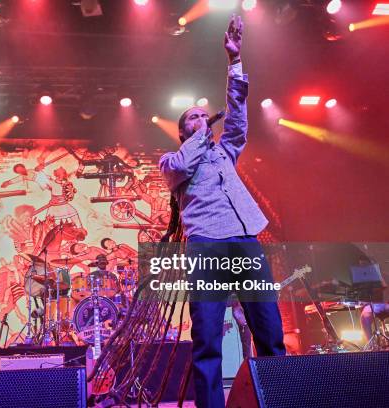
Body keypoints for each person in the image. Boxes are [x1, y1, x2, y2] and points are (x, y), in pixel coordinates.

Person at [159, 16, 285, 407]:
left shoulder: (224, 151)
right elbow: (180, 166)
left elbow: (238, 118)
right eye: (193, 117)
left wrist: (234, 61)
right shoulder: (172, 159)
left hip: (245, 239)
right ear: (183, 131)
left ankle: (277, 398)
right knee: (208, 336)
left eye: (204, 114)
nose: (203, 118)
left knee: (268, 327)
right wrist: (199, 136)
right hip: (207, 245)